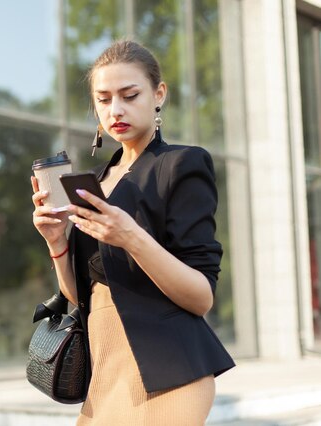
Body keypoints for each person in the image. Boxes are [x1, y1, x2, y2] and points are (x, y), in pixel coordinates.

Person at [30, 39, 235, 425]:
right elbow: (86, 297)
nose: (116, 109)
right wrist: (57, 242)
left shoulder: (181, 165)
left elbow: (201, 297)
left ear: (159, 94)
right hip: (105, 373)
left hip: (171, 373)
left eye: (129, 95)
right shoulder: (96, 181)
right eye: (104, 99)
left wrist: (130, 236)